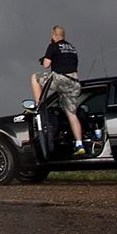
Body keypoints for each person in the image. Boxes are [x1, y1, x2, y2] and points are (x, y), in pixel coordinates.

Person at [29, 25, 87, 156]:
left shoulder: (53, 46)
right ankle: (79, 144)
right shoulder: (72, 48)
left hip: (61, 79)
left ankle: (39, 106)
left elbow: (46, 65)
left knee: (35, 77)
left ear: (54, 35)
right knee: (72, 114)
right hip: (74, 83)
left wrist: (44, 58)